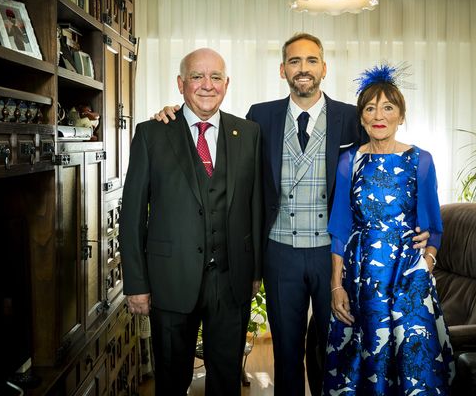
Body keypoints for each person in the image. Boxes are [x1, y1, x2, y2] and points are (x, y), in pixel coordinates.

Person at [154, 33, 429, 396]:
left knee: (335, 348)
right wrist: (172, 116)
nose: (303, 69)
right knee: (286, 350)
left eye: (311, 61)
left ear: (324, 68)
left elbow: (386, 165)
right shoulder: (259, 117)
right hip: (279, 252)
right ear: (283, 70)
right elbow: (216, 140)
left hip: (335, 256)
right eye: (295, 62)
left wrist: (419, 227)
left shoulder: (351, 116)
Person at [120, 48, 263, 396]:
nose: (207, 85)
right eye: (197, 77)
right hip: (170, 280)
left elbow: (256, 206)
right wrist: (136, 282)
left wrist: (256, 272)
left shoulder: (249, 133)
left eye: (215, 77)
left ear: (226, 84)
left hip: (230, 283)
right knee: (170, 379)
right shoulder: (151, 134)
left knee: (226, 380)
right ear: (181, 84)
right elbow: (132, 214)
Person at [322, 63, 455, 395]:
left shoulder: (421, 161)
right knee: (360, 366)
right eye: (370, 108)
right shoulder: (348, 162)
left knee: (413, 368)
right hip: (360, 277)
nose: (378, 115)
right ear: (362, 118)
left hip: (408, 278)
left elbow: (433, 228)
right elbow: (339, 226)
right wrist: (336, 286)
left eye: (388, 107)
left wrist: (427, 263)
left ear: (401, 115)